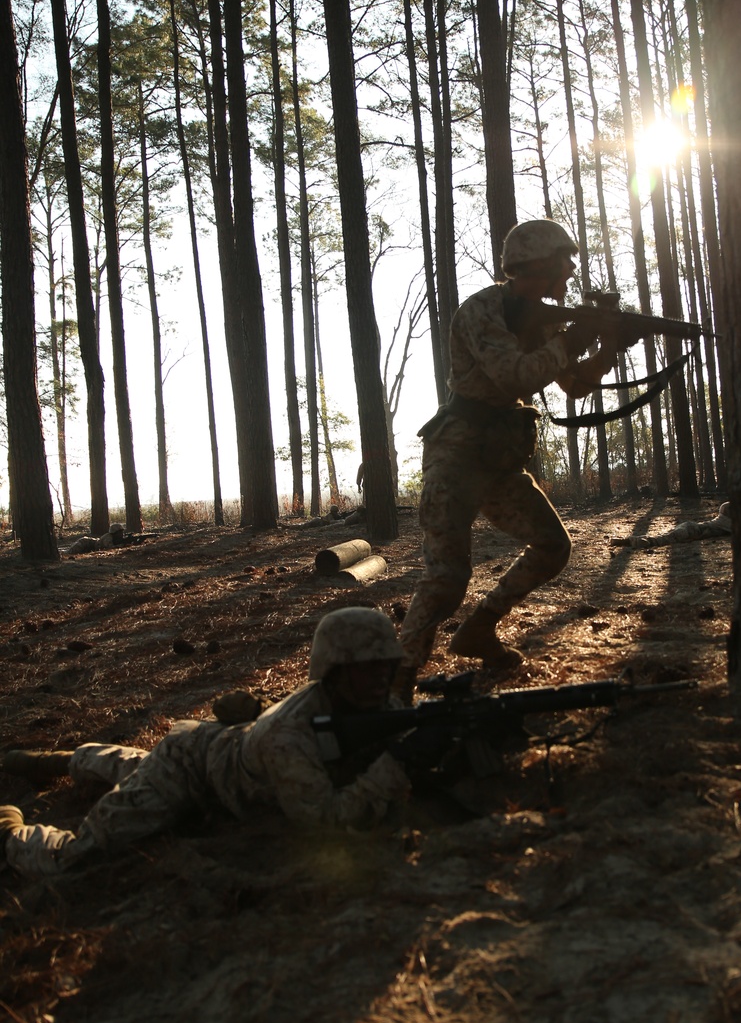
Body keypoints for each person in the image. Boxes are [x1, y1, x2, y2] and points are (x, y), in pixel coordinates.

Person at [0, 607, 410, 877]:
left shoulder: (377, 703)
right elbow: (327, 821)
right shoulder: (289, 734)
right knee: (83, 855)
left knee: (139, 767)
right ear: (335, 671)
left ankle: (62, 760)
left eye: (386, 666)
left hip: (212, 753)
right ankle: (10, 834)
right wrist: (398, 765)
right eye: (367, 667)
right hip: (188, 772)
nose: (380, 677)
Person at [394, 218, 618, 703]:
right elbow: (514, 376)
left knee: (553, 547)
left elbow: (574, 387)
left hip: (498, 460)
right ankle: (396, 681)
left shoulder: (538, 317)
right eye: (564, 263)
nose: (570, 273)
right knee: (447, 579)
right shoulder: (484, 311)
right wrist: (570, 342)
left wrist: (609, 350)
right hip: (455, 457)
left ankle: (479, 629)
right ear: (538, 264)